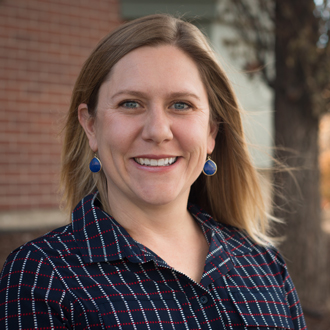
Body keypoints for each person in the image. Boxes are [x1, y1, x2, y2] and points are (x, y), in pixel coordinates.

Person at [0, 14, 306, 329]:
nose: (158, 131)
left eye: (181, 105)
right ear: (91, 126)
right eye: (131, 104)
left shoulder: (263, 263)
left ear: (212, 132)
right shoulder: (42, 277)